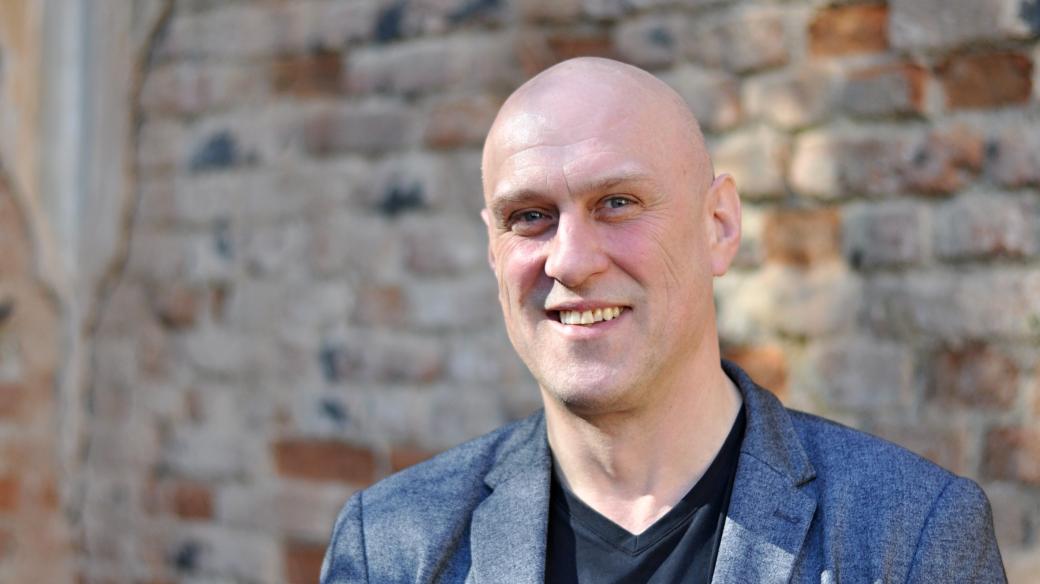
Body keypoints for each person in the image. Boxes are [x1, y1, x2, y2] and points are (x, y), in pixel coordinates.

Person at [320, 57, 1006, 583]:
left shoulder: (907, 535)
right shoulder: (392, 546)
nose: (570, 260)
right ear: (493, 250)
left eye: (616, 203)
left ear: (719, 226)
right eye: (529, 216)